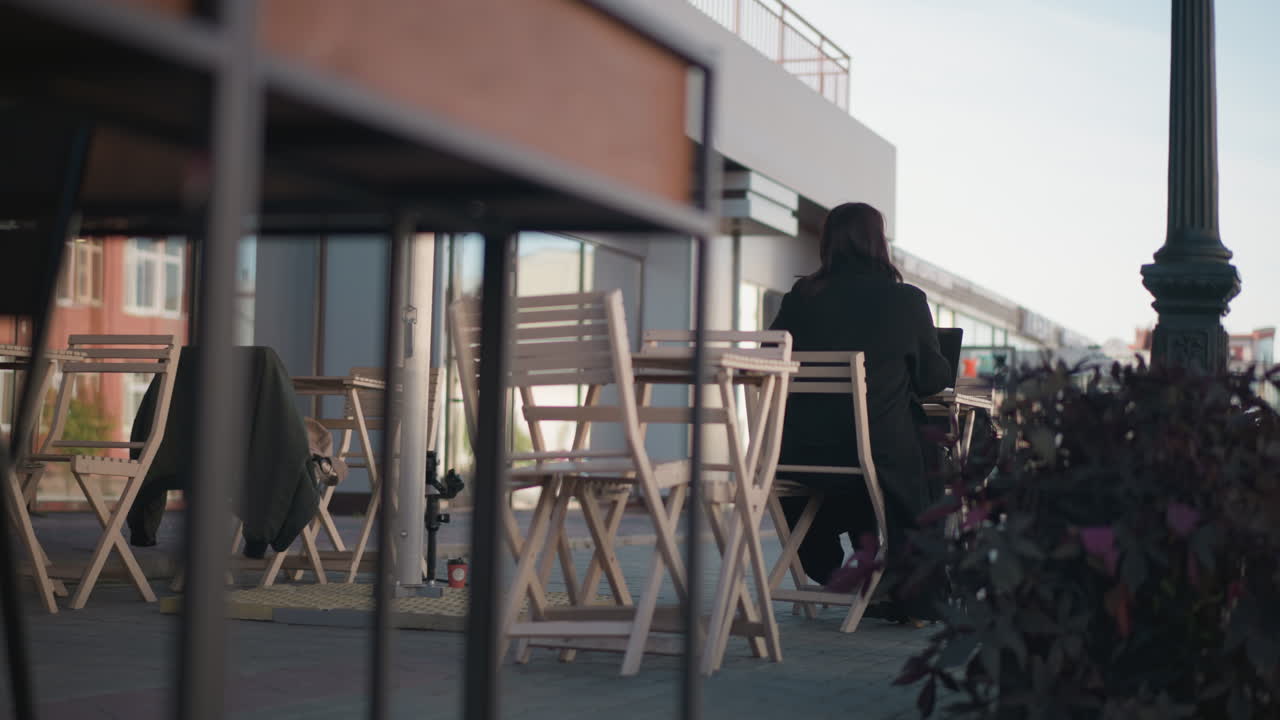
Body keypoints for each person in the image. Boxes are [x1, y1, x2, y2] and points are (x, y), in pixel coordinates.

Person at [769, 201, 953, 621]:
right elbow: (932, 379)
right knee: (928, 456)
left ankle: (856, 572)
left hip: (799, 455)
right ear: (879, 243)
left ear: (828, 243)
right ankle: (913, 591)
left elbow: (769, 359)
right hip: (875, 458)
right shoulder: (906, 301)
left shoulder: (801, 297)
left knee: (889, 454)